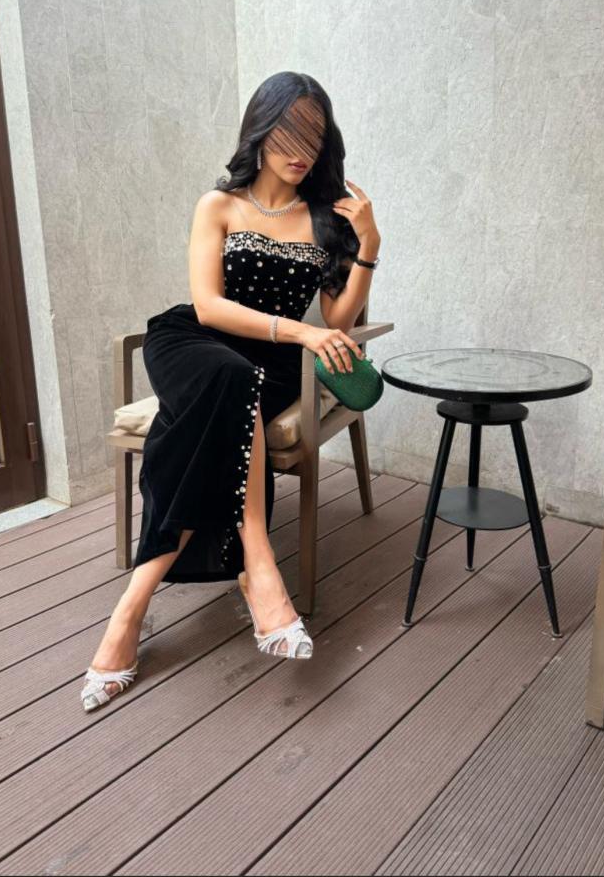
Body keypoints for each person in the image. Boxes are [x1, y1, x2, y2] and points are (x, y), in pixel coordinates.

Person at [80, 71, 381, 711]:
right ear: (261, 130)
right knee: (228, 376)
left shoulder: (324, 219)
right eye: (290, 133)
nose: (302, 150)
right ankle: (257, 559)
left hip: (266, 366)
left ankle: (131, 608)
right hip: (191, 342)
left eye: (315, 137)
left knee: (222, 398)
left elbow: (339, 319)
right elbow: (209, 307)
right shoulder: (217, 205)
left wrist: (369, 248)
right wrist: (299, 332)